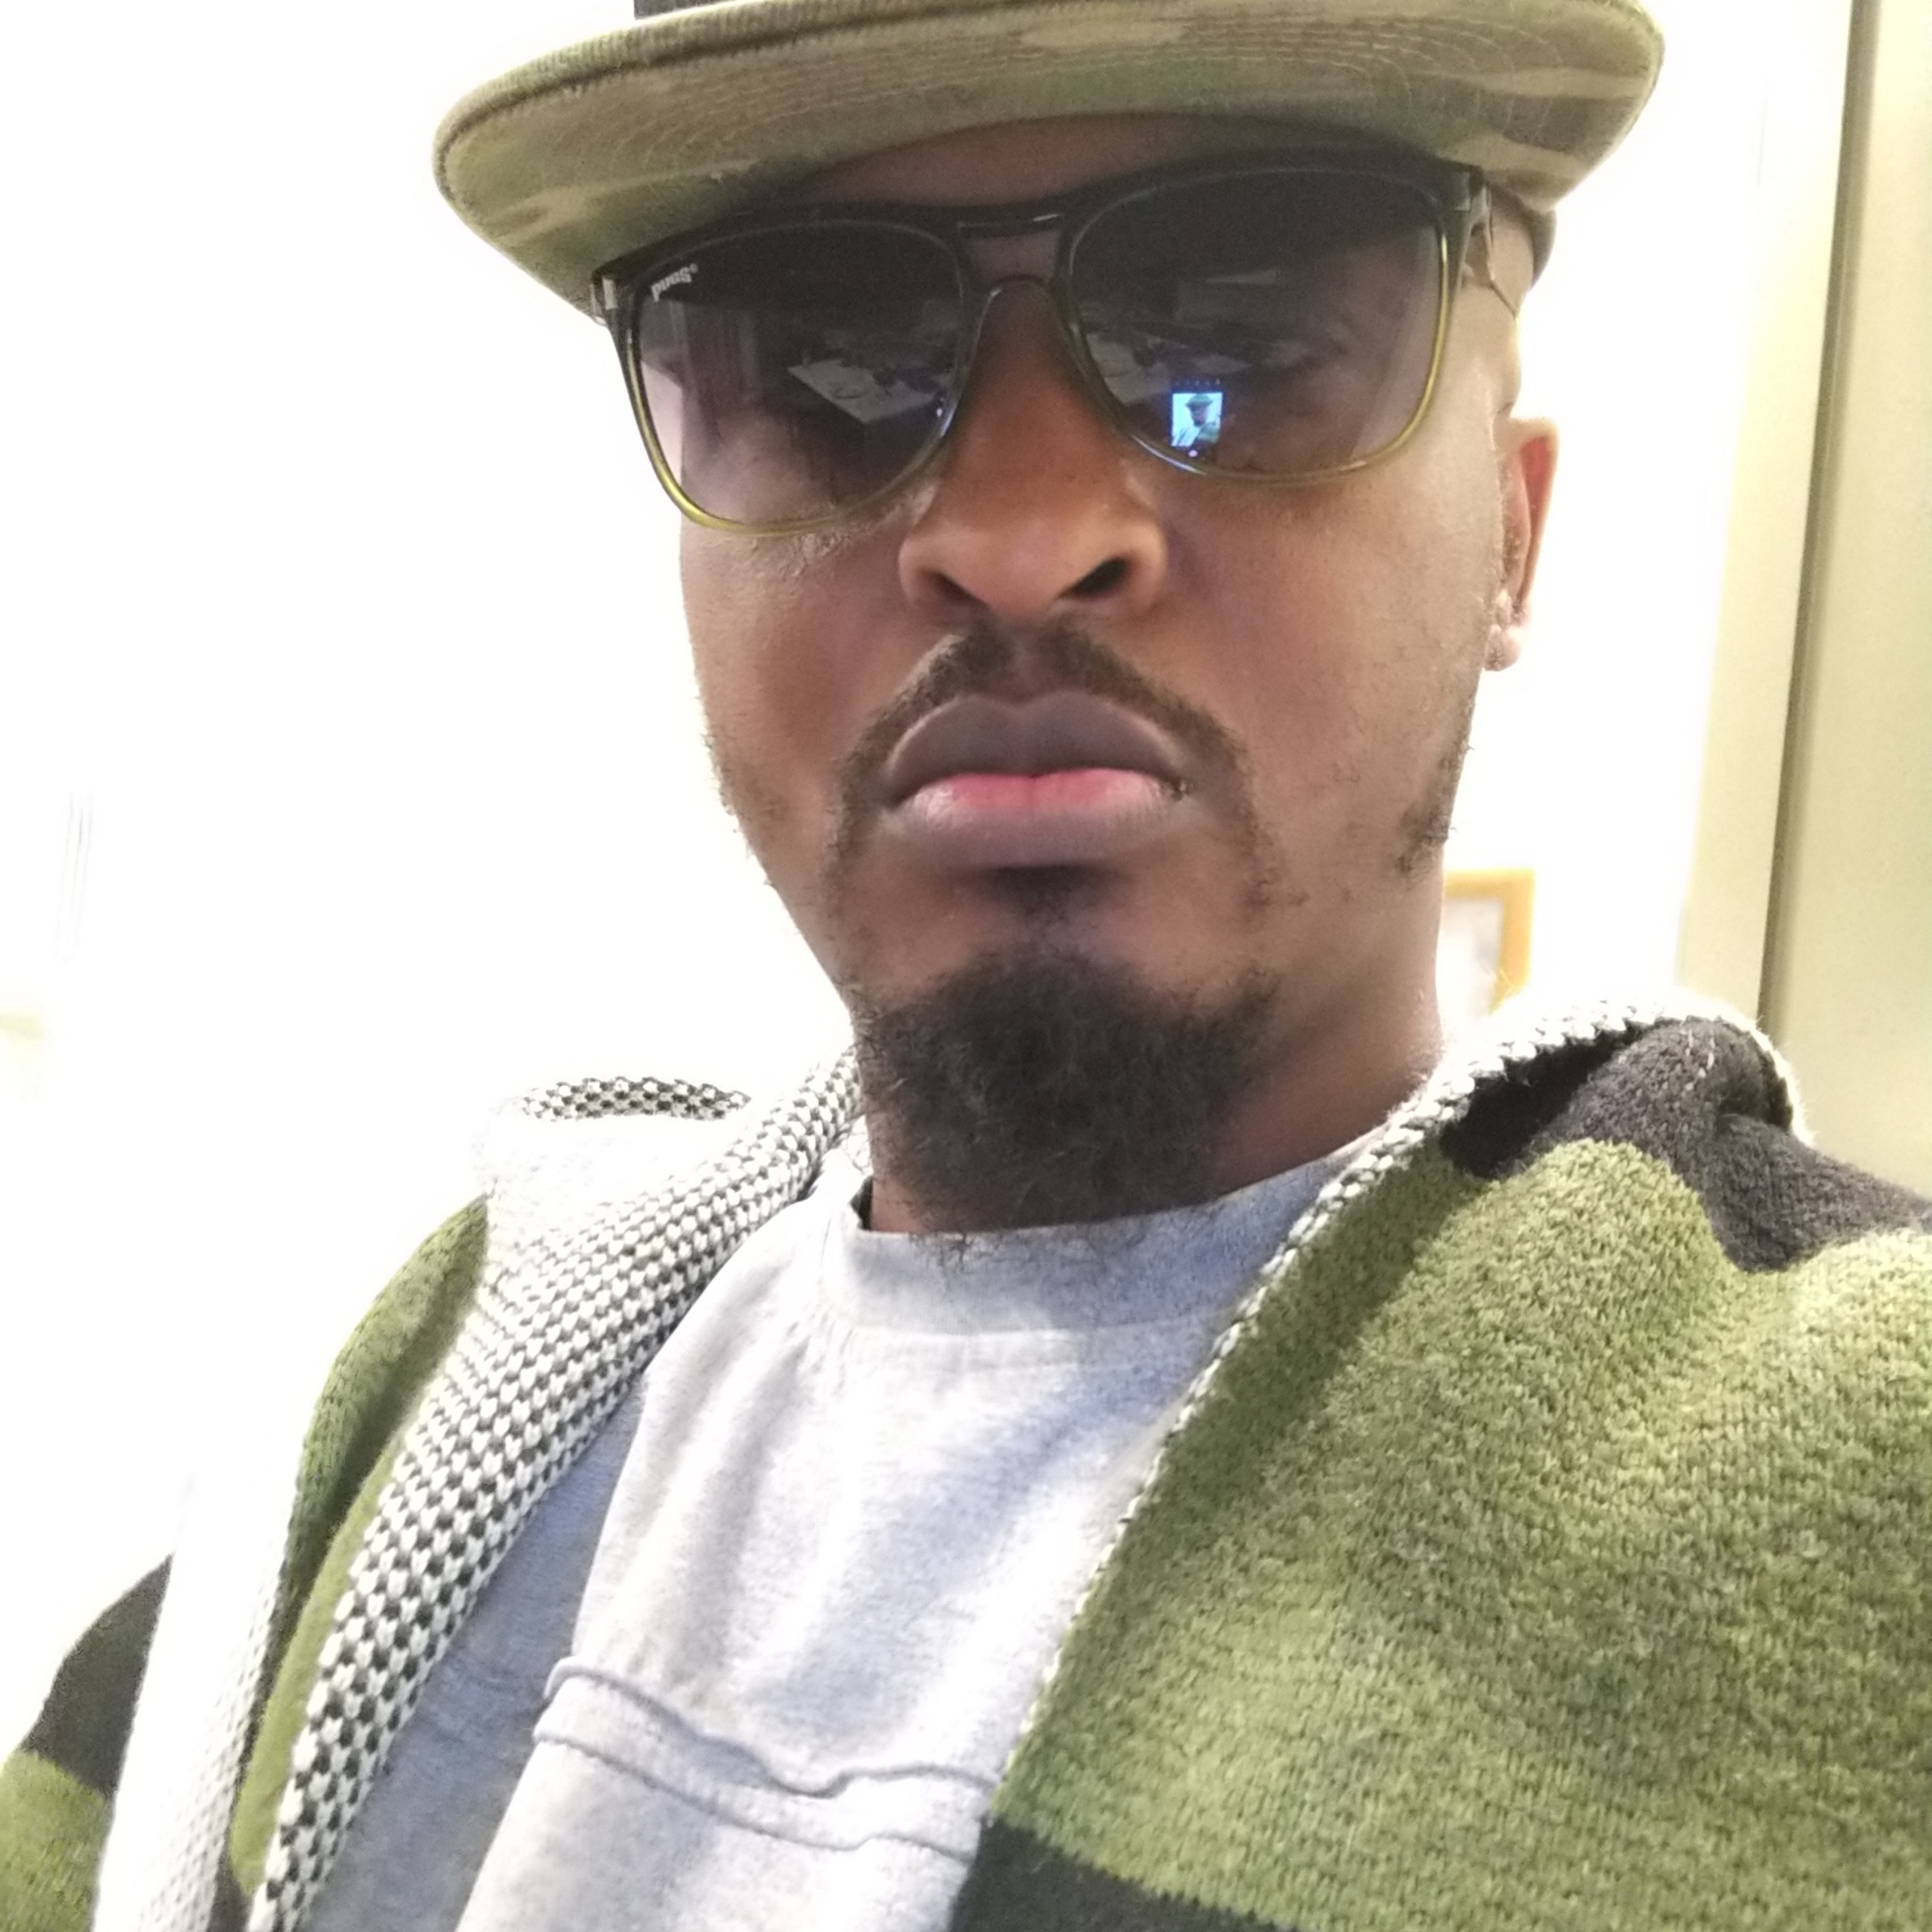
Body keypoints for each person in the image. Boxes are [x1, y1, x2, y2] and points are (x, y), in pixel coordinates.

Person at [7, 0, 1931, 1927]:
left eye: (1238, 346)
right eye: (822, 365)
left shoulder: (1864, 1487)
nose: (1019, 534)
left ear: (1509, 536)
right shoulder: (392, 1405)